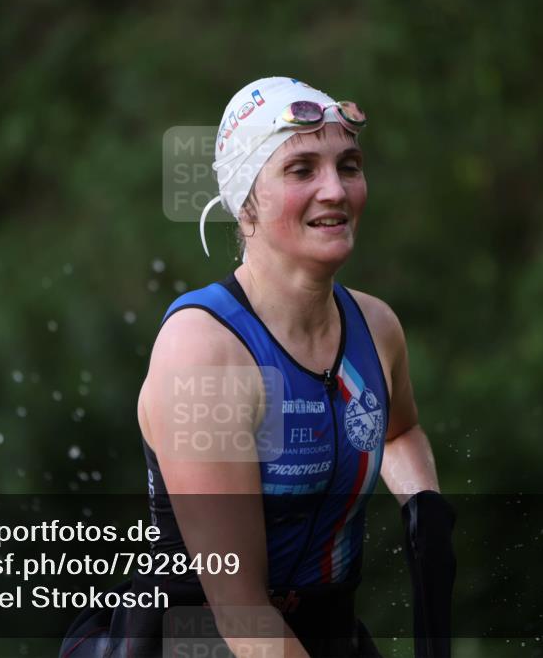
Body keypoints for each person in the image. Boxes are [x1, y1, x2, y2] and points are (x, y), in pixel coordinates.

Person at [60, 76, 456, 658]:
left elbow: (398, 431)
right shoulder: (205, 351)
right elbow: (241, 613)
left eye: (348, 166)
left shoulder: (376, 328)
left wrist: (424, 507)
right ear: (246, 201)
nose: (335, 190)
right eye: (302, 170)